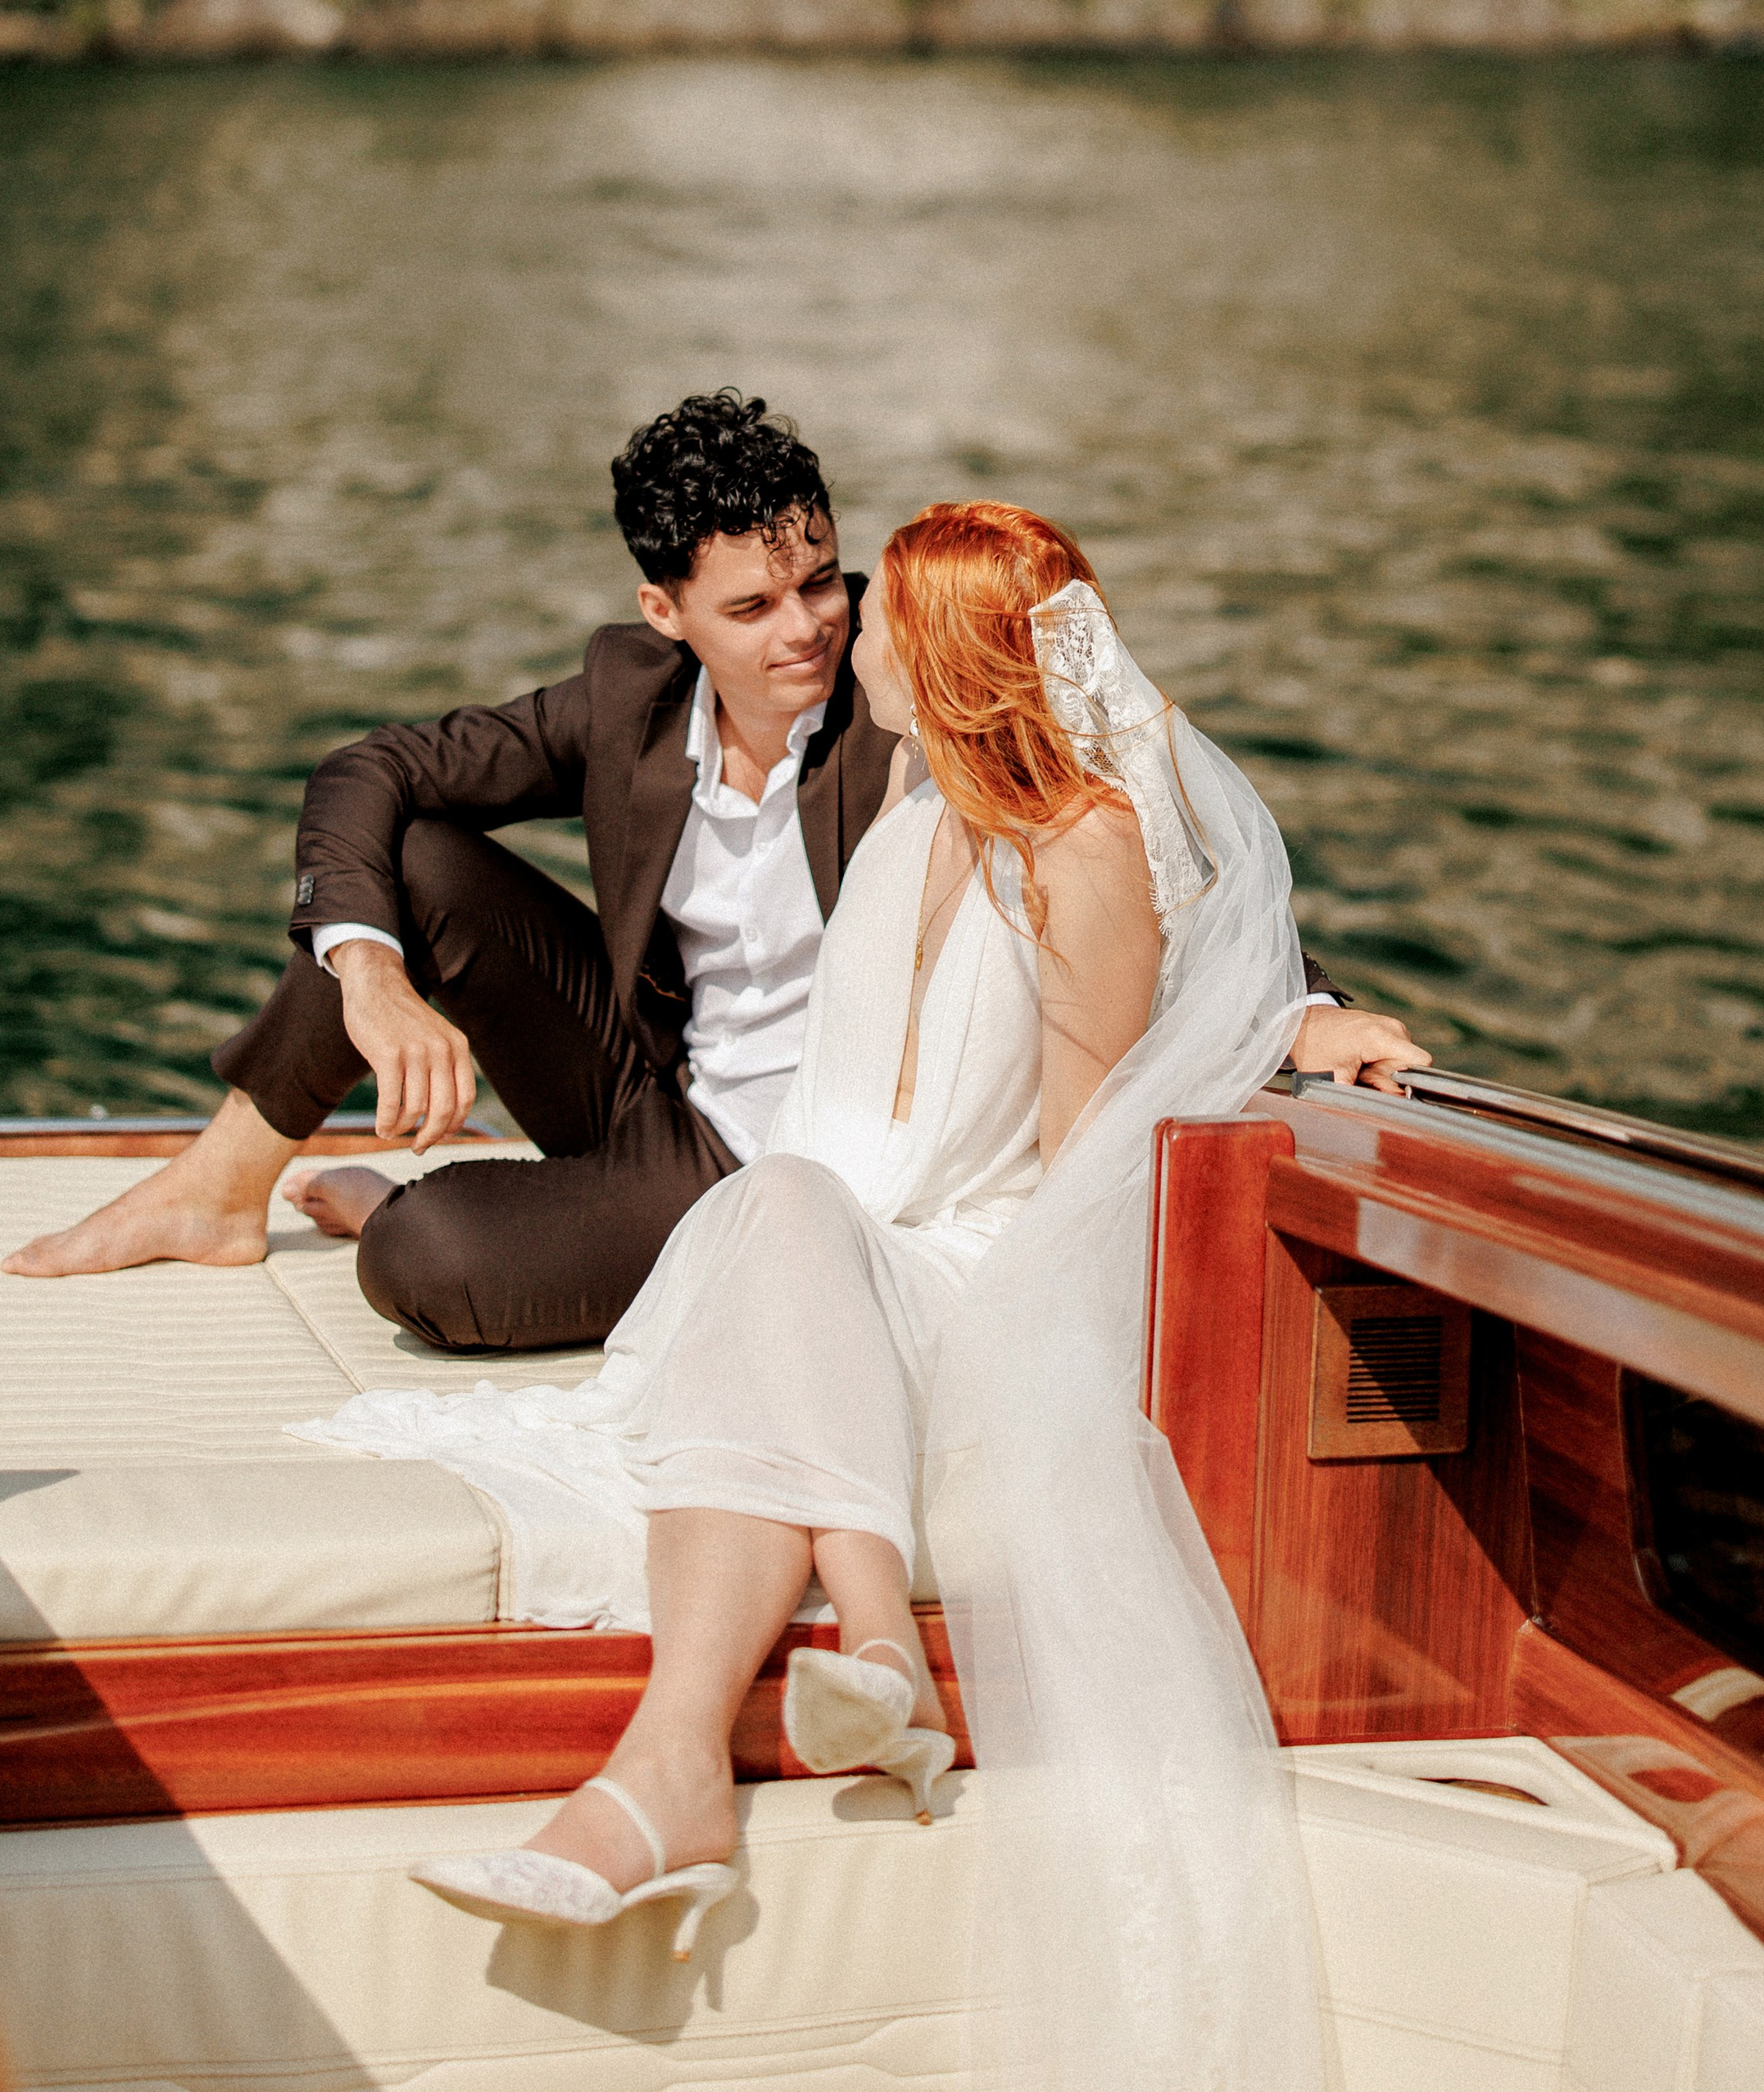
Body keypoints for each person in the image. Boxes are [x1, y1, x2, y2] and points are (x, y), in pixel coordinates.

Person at [299, 505, 1335, 2091]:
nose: (848, 640)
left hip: (973, 1264)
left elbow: (1093, 1147)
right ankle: (837, 1663)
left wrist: (1292, 1026)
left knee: (778, 1222)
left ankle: (671, 1768)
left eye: (880, 615)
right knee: (777, 1214)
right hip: (814, 1223)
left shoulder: (1088, 851)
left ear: (960, 655)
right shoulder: (916, 807)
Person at [6, 397, 1420, 1347]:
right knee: (414, 863)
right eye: (751, 606)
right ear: (663, 612)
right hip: (638, 1080)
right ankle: (217, 1184)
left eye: (820, 581)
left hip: (778, 1161)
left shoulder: (909, 690)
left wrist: (1299, 1005)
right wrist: (371, 978)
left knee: (426, 1263)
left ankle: (417, 1204)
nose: (806, 627)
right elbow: (365, 772)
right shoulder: (623, 701)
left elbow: (1121, 819)